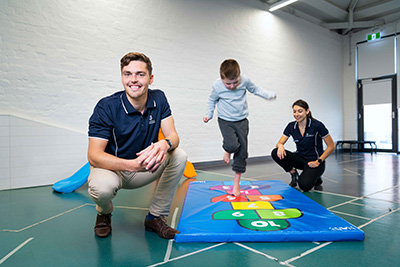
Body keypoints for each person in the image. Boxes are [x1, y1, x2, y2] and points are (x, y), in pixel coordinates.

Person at [87, 52, 187, 239]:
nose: (133, 80)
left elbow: (173, 136)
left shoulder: (159, 98)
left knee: (179, 155)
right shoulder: (106, 107)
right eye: (127, 74)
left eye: (140, 74)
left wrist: (165, 144)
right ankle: (104, 212)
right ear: (122, 77)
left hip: (145, 167)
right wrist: (132, 165)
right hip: (112, 170)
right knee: (101, 189)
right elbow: (94, 156)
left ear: (151, 78)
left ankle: (155, 217)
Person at [203, 59, 276, 196]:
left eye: (235, 82)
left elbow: (256, 89)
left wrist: (268, 95)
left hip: (242, 121)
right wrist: (209, 114)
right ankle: (227, 150)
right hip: (225, 120)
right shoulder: (217, 85)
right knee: (231, 145)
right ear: (221, 78)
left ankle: (236, 183)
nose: (232, 86)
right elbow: (212, 100)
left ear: (239, 76)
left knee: (242, 154)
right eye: (228, 83)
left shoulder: (245, 80)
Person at [271, 99, 335, 192]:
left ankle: (317, 176)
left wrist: (318, 161)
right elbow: (280, 143)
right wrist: (280, 145)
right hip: (300, 159)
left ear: (307, 111)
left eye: (300, 111)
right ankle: (293, 173)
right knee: (275, 152)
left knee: (304, 186)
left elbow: (331, 146)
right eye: (294, 111)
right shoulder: (291, 126)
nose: (296, 114)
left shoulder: (317, 125)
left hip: (315, 161)